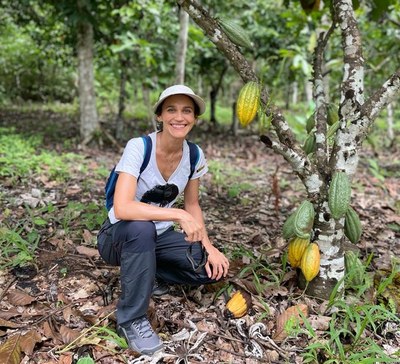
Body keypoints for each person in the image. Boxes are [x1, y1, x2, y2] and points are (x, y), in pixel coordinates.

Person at [97, 84, 230, 356]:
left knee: (208, 268)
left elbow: (192, 204)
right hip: (119, 237)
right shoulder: (139, 147)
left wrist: (210, 246)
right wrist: (176, 213)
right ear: (159, 115)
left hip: (158, 238)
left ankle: (146, 271)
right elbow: (123, 207)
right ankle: (131, 320)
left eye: (186, 111)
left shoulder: (194, 155)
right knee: (141, 228)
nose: (178, 117)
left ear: (194, 118)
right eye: (171, 110)